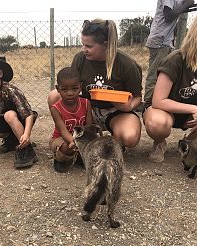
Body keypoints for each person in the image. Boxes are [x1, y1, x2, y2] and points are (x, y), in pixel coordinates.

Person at [48, 18, 143, 149]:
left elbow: (137, 97)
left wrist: (128, 106)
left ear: (104, 44)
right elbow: (71, 85)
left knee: (130, 137)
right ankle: (68, 134)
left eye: (89, 46)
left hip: (115, 111)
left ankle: (112, 140)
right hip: (88, 109)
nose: (84, 49)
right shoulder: (80, 58)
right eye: (83, 44)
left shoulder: (127, 64)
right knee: (54, 96)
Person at [143, 15, 197, 163]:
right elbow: (158, 101)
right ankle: (159, 142)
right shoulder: (176, 60)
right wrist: (193, 109)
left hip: (190, 115)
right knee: (157, 123)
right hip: (165, 110)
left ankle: (191, 142)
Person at [143, 0, 195, 109]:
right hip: (160, 39)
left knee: (165, 75)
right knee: (155, 74)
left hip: (166, 40)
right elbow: (168, 15)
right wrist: (186, 4)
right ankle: (148, 105)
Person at [49, 67, 93, 172]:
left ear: (80, 87)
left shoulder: (86, 103)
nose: (70, 93)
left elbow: (88, 127)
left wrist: (85, 142)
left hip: (80, 138)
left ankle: (78, 156)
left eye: (74, 88)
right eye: (64, 89)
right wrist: (74, 142)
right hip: (61, 138)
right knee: (66, 147)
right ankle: (61, 159)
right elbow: (63, 131)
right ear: (57, 89)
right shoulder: (55, 109)